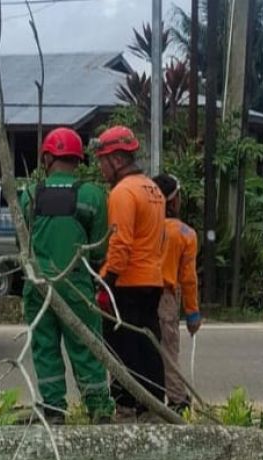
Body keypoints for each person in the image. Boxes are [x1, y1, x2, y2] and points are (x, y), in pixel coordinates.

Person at [20, 127, 115, 423]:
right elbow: (99, 246)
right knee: (86, 345)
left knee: (45, 346)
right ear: (79, 159)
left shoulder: (29, 195)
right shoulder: (92, 195)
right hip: (75, 283)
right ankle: (98, 408)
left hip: (37, 284)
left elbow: (24, 237)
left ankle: (54, 410)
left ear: (46, 157)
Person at [93, 125, 166, 418]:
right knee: (149, 344)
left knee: (124, 349)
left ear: (118, 160)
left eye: (102, 161)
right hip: (153, 279)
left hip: (127, 281)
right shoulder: (153, 189)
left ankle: (130, 405)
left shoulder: (123, 193)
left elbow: (121, 242)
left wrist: (106, 283)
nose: (100, 168)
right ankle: (154, 404)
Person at [152, 174, 201, 413]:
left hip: (135, 295)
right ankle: (177, 400)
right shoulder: (185, 234)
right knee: (169, 350)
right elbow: (188, 279)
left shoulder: (143, 226)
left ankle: (136, 401)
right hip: (166, 297)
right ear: (173, 201)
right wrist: (192, 313)